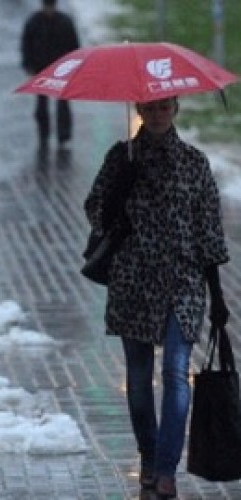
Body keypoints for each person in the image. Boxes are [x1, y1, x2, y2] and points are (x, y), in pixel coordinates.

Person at [84, 96, 230, 499]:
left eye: (165, 107)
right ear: (139, 112)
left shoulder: (193, 162)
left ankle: (166, 468)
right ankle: (148, 457)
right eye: (150, 108)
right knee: (138, 375)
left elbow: (209, 232)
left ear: (176, 108)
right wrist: (120, 189)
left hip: (183, 282)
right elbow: (95, 210)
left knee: (176, 372)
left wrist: (217, 297)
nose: (158, 114)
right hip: (133, 279)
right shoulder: (122, 157)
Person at [20, 0, 79, 150]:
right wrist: (28, 64)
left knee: (62, 102)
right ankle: (44, 133)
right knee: (42, 103)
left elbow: (74, 46)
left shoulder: (62, 22)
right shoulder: (35, 22)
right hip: (43, 68)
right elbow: (26, 45)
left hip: (61, 68)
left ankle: (63, 134)